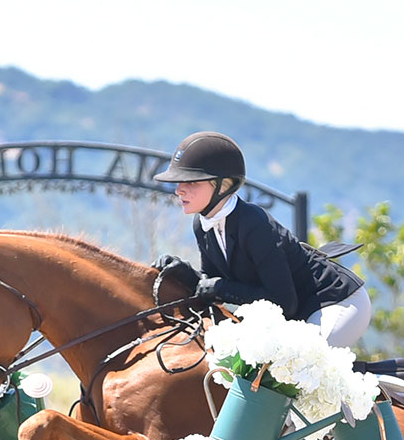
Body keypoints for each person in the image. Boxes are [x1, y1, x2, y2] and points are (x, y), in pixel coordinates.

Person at [152, 131, 372, 348]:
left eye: (192, 183)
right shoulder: (202, 225)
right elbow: (213, 283)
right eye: (179, 183)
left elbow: (283, 302)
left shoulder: (253, 223)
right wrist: (186, 275)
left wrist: (219, 287)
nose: (179, 190)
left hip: (335, 302)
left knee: (301, 360)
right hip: (296, 314)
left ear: (223, 184)